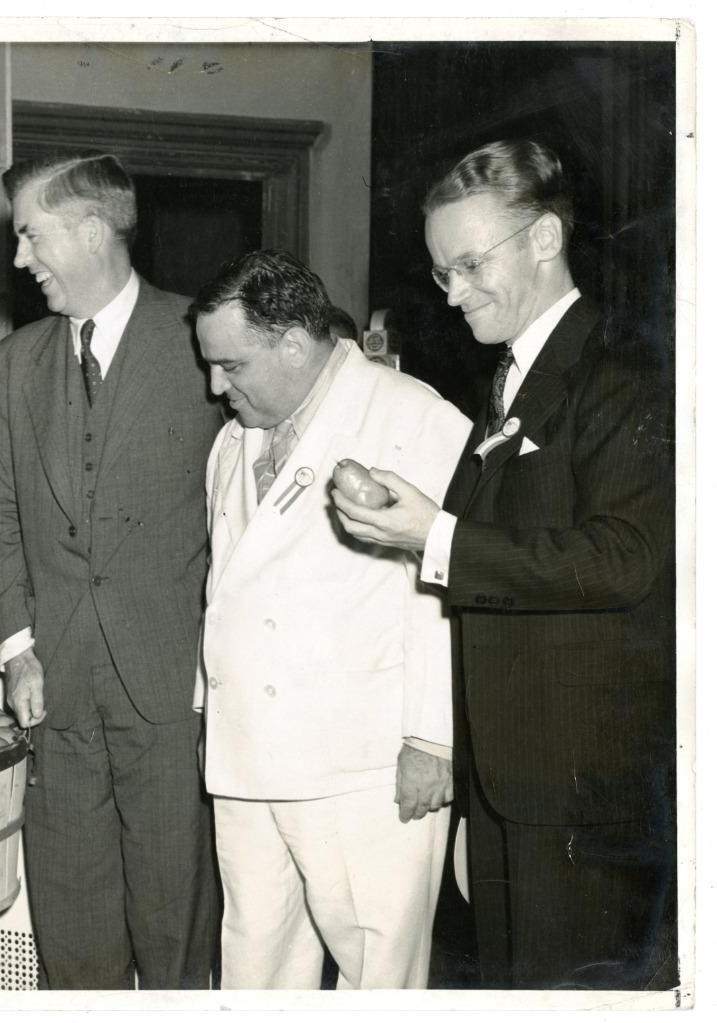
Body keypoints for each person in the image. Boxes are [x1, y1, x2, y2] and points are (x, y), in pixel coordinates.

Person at [330, 139, 676, 989]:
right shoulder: (508, 378)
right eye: (441, 273)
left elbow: (623, 560)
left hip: (576, 791)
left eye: (469, 264)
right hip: (508, 779)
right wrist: (409, 513)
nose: (452, 293)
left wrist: (435, 537)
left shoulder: (627, 371)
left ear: (545, 241)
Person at [191, 249, 471, 989]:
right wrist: (206, 705)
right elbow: (226, 588)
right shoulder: (234, 438)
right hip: (249, 751)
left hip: (363, 761)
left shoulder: (413, 415)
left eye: (230, 365)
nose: (215, 387)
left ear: (291, 343)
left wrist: (432, 736)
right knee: (254, 958)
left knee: (377, 968)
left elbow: (446, 589)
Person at [0, 152, 222, 989]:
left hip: (171, 687)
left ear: (89, 232)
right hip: (55, 686)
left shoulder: (203, 341)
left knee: (176, 925)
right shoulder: (13, 365)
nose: (18, 260)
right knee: (71, 926)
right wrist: (15, 648)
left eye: (29, 237)